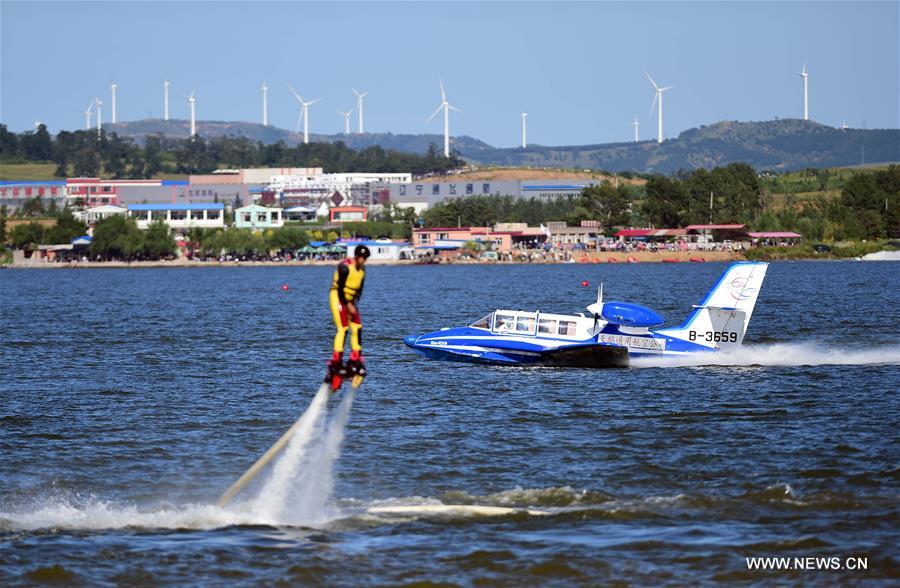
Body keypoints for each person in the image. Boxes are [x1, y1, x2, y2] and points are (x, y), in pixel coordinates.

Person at [326, 244, 370, 386]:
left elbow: (359, 291)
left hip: (351, 301)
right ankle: (336, 361)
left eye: (365, 258)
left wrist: (353, 305)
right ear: (357, 256)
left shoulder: (362, 270)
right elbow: (339, 289)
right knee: (343, 328)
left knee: (357, 327)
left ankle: (355, 359)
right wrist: (347, 305)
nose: (363, 260)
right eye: (362, 257)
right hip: (338, 298)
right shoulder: (345, 267)